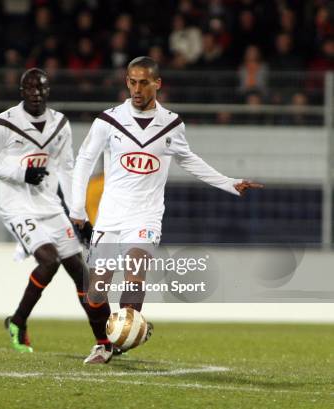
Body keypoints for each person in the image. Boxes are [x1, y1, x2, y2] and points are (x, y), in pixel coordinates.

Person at [70, 57, 263, 362]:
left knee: (134, 276)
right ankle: (104, 342)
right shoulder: (108, 121)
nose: (136, 88)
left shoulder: (172, 124)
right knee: (95, 294)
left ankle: (124, 334)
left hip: (145, 216)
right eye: (132, 81)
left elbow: (189, 160)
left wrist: (229, 183)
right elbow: (83, 160)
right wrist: (77, 207)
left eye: (143, 82)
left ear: (157, 83)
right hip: (110, 216)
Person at [0, 68, 112, 364]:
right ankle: (18, 322)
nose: (35, 94)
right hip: (15, 204)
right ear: (21, 92)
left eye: (41, 89)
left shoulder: (60, 123)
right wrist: (20, 173)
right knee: (48, 260)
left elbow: (66, 169)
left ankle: (104, 342)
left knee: (80, 271)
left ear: (48, 92)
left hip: (49, 204)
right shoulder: (4, 123)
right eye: (30, 89)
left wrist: (78, 213)